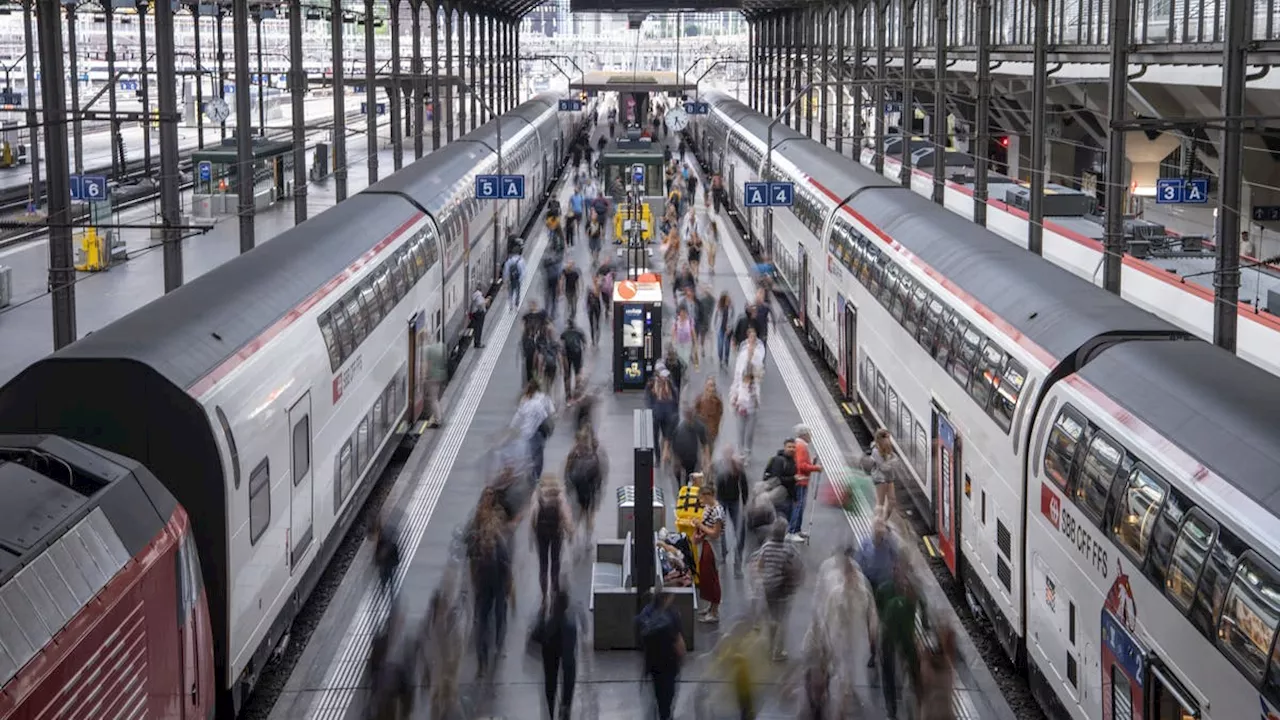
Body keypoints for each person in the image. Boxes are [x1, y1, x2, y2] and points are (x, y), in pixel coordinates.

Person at [468, 493, 514, 678]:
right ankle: (483, 661)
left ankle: (498, 645)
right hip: (486, 587)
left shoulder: (499, 546)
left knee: (498, 616)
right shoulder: (479, 545)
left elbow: (507, 567)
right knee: (483, 622)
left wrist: (508, 585)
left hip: (497, 585)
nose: (487, 541)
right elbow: (471, 564)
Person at [754, 519, 804, 661]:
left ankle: (770, 645)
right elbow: (797, 566)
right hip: (782, 588)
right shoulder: (788, 549)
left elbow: (759, 565)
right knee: (782, 619)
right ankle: (779, 651)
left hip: (768, 588)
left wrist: (763, 577)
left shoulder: (766, 546)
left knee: (772, 616)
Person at [636, 592, 687, 720]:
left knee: (658, 691)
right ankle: (665, 715)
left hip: (653, 662)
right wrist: (682, 658)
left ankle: (659, 711)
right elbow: (678, 642)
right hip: (669, 662)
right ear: (666, 598)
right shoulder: (672, 615)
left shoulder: (647, 612)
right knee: (668, 695)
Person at [533, 587, 579, 720]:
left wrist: (540, 617)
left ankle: (552, 709)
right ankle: (564, 707)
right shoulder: (569, 623)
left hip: (550, 654)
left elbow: (538, 635)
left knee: (550, 683)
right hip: (564, 656)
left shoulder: (550, 623)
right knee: (568, 678)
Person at [531, 475, 574, 603]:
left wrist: (532, 534)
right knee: (555, 562)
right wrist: (569, 531)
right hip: (556, 532)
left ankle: (544, 595)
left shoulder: (538, 495)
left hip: (541, 533)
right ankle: (554, 590)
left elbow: (533, 516)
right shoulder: (559, 496)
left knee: (543, 564)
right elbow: (565, 515)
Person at [712, 448, 749, 576]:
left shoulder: (737, 467)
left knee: (740, 529)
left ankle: (737, 561)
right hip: (721, 500)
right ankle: (723, 552)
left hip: (734, 501)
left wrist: (744, 503)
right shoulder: (718, 465)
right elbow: (712, 482)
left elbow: (744, 485)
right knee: (720, 528)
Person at [564, 426, 604, 536]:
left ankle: (580, 533)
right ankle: (584, 533)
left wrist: (568, 484)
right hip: (587, 487)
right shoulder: (592, 454)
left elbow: (567, 470)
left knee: (583, 512)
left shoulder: (575, 453)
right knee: (586, 512)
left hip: (583, 487)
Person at [513, 380, 556, 479]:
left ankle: (528, 472)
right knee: (538, 453)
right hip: (540, 431)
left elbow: (518, 415)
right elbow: (551, 413)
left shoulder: (525, 400)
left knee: (528, 451)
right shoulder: (545, 398)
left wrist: (513, 427)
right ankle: (536, 475)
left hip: (527, 432)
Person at [695, 485, 725, 623]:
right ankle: (711, 607)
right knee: (707, 575)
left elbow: (715, 533)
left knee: (712, 577)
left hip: (713, 547)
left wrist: (700, 527)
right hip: (706, 544)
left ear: (707, 495)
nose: (701, 501)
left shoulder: (717, 511)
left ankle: (715, 611)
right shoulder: (708, 508)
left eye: (702, 497)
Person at [789, 424, 824, 542]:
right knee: (798, 506)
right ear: (804, 434)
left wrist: (812, 463)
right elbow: (802, 466)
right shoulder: (801, 447)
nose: (811, 436)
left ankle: (797, 529)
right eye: (809, 433)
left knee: (800, 506)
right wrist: (816, 468)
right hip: (801, 480)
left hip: (802, 480)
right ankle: (792, 531)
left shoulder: (799, 445)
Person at [764, 439, 799, 526]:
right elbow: (776, 479)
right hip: (779, 496)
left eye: (793, 447)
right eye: (789, 447)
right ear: (784, 448)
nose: (792, 449)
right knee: (779, 520)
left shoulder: (792, 460)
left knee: (786, 521)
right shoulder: (779, 461)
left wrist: (795, 498)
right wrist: (793, 478)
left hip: (787, 496)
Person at [869, 429, 901, 516]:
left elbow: (896, 459)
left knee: (892, 501)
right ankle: (878, 522)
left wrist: (890, 461)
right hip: (880, 478)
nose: (889, 440)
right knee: (881, 503)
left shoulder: (887, 448)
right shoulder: (875, 451)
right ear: (881, 439)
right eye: (887, 438)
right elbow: (884, 467)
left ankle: (884, 520)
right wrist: (891, 462)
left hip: (889, 477)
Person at [729, 370, 761, 456]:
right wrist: (735, 402)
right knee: (741, 431)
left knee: (749, 433)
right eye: (745, 379)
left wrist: (753, 396)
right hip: (740, 412)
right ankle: (741, 451)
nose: (746, 381)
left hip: (751, 412)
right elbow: (733, 397)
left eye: (748, 379)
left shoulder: (754, 388)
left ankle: (748, 450)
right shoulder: (738, 387)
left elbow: (757, 402)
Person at [560, 319, 587, 400]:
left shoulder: (564, 333)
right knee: (577, 373)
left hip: (567, 354)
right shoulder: (579, 332)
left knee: (567, 375)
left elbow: (561, 345)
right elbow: (584, 343)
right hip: (577, 354)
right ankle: (576, 392)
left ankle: (568, 395)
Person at [424, 338, 447, 428]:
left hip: (433, 377)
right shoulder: (441, 346)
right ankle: (437, 416)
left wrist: (425, 376)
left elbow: (428, 364)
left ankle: (437, 420)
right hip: (441, 375)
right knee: (436, 397)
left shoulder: (428, 350)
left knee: (433, 399)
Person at [671, 305, 696, 371]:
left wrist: (695, 341)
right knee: (680, 358)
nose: (683, 314)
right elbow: (673, 331)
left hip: (687, 343)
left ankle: (684, 369)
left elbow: (692, 331)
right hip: (679, 343)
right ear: (679, 313)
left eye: (684, 312)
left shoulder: (690, 320)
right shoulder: (676, 321)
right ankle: (682, 370)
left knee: (686, 358)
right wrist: (673, 342)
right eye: (681, 312)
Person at [714, 292, 734, 370]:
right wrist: (715, 327)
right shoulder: (719, 308)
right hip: (720, 329)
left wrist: (730, 328)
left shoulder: (731, 309)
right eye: (726, 300)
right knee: (720, 345)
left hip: (728, 330)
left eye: (728, 300)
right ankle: (720, 358)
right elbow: (716, 318)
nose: (728, 301)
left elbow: (732, 319)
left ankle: (726, 359)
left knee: (727, 346)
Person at [585, 275, 604, 346]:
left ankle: (597, 335)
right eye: (594, 278)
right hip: (591, 307)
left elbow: (597, 294)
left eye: (596, 278)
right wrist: (587, 306)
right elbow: (587, 298)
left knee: (597, 323)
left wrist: (598, 285)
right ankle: (593, 339)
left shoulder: (599, 286)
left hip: (597, 306)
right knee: (591, 324)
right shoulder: (589, 288)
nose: (595, 279)